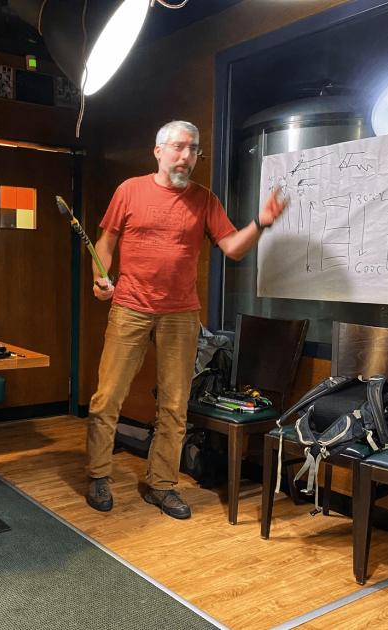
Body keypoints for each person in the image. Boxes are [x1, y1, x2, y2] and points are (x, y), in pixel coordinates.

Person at [85, 120, 287, 519]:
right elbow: (105, 243)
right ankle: (98, 474)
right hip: (130, 306)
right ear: (158, 151)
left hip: (181, 313)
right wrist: (100, 277)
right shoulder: (130, 190)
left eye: (194, 149)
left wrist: (261, 223)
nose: (186, 156)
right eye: (179, 147)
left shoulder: (204, 199)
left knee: (176, 405)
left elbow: (233, 248)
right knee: (108, 397)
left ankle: (161, 485)